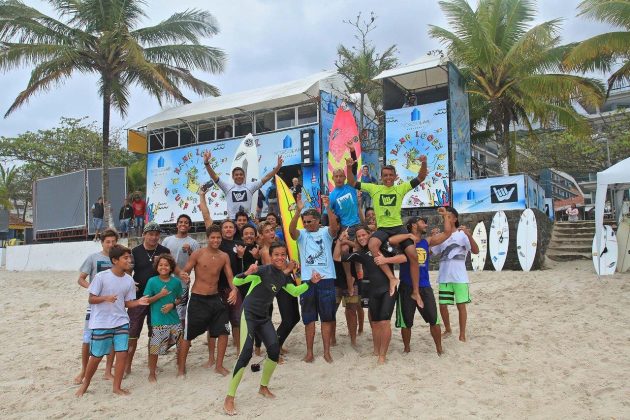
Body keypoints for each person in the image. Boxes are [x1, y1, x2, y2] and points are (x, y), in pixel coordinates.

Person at [223, 246, 316, 416]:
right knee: (245, 354)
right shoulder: (263, 270)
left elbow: (295, 292)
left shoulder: (282, 276)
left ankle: (263, 387)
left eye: (283, 255)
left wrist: (310, 282)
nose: (280, 258)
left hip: (263, 317)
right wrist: (247, 272)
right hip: (249, 315)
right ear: (271, 256)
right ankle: (229, 397)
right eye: (276, 255)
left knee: (274, 350)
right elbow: (237, 282)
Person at [347, 156, 428, 309]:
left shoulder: (401, 188)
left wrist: (423, 162)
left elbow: (421, 177)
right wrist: (349, 167)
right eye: (385, 175)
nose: (388, 178)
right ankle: (391, 278)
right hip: (383, 228)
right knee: (372, 244)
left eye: (391, 175)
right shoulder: (374, 188)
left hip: (398, 226)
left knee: (414, 256)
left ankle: (416, 292)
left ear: (395, 176)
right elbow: (351, 182)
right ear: (381, 177)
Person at [75, 244, 150, 397]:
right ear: (115, 260)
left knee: (122, 354)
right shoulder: (101, 277)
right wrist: (105, 298)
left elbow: (127, 303)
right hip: (101, 323)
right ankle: (85, 384)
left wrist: (139, 302)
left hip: (121, 321)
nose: (129, 260)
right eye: (125, 258)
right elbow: (91, 299)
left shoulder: (129, 280)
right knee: (96, 357)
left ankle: (117, 387)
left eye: (130, 257)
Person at [333, 226, 406, 364]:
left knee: (384, 322)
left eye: (363, 235)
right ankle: (376, 350)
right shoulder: (360, 254)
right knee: (376, 323)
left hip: (387, 289)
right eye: (358, 236)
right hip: (372, 291)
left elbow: (403, 257)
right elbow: (337, 257)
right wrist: (339, 241)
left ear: (370, 235)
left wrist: (385, 260)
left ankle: (382, 355)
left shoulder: (383, 247)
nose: (361, 238)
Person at [389, 210, 453, 355]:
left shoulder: (427, 241)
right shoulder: (404, 243)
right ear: (413, 225)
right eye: (422, 221)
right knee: (406, 322)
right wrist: (407, 236)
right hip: (406, 286)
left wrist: (445, 215)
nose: (426, 224)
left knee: (434, 320)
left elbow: (447, 233)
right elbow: (391, 240)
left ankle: (439, 349)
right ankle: (406, 348)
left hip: (424, 286)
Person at [127, 222, 186, 375]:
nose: (153, 237)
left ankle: (151, 365)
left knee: (154, 333)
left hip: (161, 300)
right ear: (144, 235)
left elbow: (173, 266)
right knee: (132, 332)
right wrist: (130, 282)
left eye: (156, 234)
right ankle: (127, 367)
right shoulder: (135, 251)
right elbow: (127, 271)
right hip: (140, 298)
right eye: (150, 234)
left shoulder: (164, 250)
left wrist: (181, 274)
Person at [180, 225, 238, 376]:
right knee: (187, 335)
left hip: (215, 297)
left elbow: (230, 276)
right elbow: (185, 269)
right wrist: (183, 275)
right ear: (207, 238)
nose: (216, 240)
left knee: (224, 331)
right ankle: (181, 368)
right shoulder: (198, 254)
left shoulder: (224, 256)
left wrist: (234, 290)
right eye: (213, 237)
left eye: (218, 237)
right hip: (198, 299)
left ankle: (219, 365)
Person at [289, 193, 339, 363]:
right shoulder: (302, 234)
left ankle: (326, 352)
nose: (307, 224)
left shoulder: (326, 232)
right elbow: (291, 231)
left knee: (327, 318)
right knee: (309, 319)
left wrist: (328, 208)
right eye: (305, 221)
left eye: (310, 221)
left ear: (318, 220)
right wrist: (298, 212)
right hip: (307, 281)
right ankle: (309, 352)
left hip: (326, 280)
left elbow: (334, 228)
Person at [74, 228, 119, 385]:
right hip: (95, 306)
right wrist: (92, 288)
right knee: (87, 339)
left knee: (112, 339)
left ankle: (108, 371)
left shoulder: (120, 259)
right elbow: (81, 279)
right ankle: (84, 371)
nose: (111, 244)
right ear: (102, 242)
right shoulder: (93, 258)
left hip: (114, 307)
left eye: (114, 241)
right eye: (108, 242)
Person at [431, 207, 479, 342]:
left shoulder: (461, 234)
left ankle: (462, 333)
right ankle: (448, 329)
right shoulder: (442, 236)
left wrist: (469, 235)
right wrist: (433, 238)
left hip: (460, 277)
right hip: (444, 276)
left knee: (461, 305)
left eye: (448, 216)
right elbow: (430, 253)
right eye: (444, 216)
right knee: (442, 305)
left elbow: (475, 251)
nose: (445, 218)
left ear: (455, 219)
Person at [203, 150, 283, 219]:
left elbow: (266, 177)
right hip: (232, 220)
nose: (239, 176)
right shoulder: (227, 187)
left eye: (241, 174)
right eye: (236, 175)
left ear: (244, 176)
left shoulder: (251, 186)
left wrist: (278, 167)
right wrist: (206, 163)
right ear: (233, 177)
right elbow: (214, 176)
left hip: (247, 219)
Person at [144, 254, 183, 382]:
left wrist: (172, 305)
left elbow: (179, 298)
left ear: (171, 267)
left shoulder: (176, 282)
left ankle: (181, 369)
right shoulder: (152, 281)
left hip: (174, 320)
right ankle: (152, 372)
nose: (163, 267)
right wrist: (160, 295)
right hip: (158, 321)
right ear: (157, 267)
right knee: (154, 348)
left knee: (180, 345)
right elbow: (147, 301)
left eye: (166, 265)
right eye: (160, 265)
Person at [161, 214, 200, 329]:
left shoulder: (193, 243)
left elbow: (197, 261)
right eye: (181, 222)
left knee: (181, 310)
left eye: (186, 223)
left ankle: (181, 336)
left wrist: (190, 251)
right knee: (165, 307)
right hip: (165, 281)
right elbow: (161, 258)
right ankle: (167, 337)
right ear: (177, 224)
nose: (183, 224)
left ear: (190, 226)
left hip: (183, 282)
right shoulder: (167, 240)